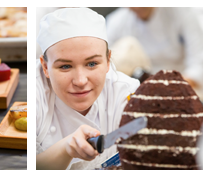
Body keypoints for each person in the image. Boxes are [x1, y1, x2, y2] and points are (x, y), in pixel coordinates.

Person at [36, 8, 140, 170]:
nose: (80, 81)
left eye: (92, 64)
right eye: (65, 66)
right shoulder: (33, 95)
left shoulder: (126, 94)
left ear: (107, 60)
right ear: (45, 67)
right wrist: (66, 149)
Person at [106, 7, 203, 92]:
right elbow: (105, 64)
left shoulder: (183, 13)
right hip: (138, 89)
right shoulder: (116, 22)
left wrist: (171, 88)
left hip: (181, 86)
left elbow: (199, 66)